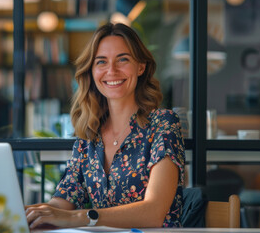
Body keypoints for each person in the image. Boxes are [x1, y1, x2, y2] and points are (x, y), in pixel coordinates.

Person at [26, 23, 185, 229]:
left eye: (123, 59)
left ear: (141, 67)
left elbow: (154, 212)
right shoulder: (89, 135)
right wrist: (32, 214)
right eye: (101, 62)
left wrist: (79, 217)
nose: (112, 70)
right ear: (91, 71)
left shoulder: (163, 123)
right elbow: (62, 201)